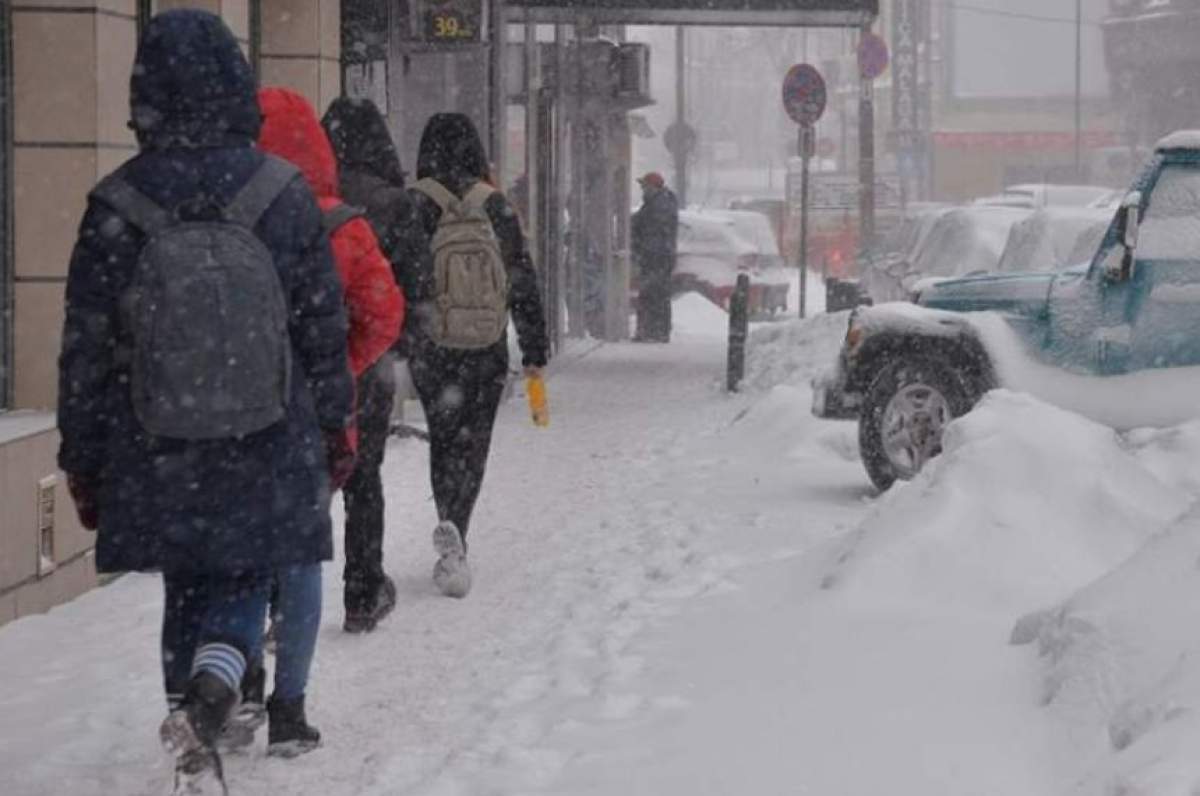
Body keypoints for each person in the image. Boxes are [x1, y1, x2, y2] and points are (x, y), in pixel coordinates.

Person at [56, 10, 354, 793]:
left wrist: (82, 456)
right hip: (267, 427)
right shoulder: (281, 192)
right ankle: (213, 692)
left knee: (188, 577)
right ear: (234, 86)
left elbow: (85, 348)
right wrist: (333, 423)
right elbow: (322, 324)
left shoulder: (115, 202)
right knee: (243, 573)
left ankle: (187, 714)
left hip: (155, 437)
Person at [240, 86, 403, 756]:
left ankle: (240, 675)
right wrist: (339, 364)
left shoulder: (232, 217)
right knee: (303, 553)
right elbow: (384, 313)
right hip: (311, 417)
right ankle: (289, 708)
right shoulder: (340, 223)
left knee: (243, 554)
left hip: (237, 412)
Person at [406, 113, 549, 598]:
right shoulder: (497, 207)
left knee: (443, 439)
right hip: (485, 349)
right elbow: (523, 282)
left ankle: (447, 518)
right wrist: (534, 348)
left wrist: (406, 336)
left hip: (435, 347)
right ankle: (458, 528)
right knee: (474, 442)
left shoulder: (417, 205)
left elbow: (402, 278)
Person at [321, 97, 418, 633]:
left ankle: (279, 603)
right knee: (364, 477)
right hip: (370, 361)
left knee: (303, 484)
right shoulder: (394, 204)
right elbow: (411, 287)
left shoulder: (302, 198)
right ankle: (362, 591)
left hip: (309, 362)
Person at [631, 171, 679, 342]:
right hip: (659, 257)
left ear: (653, 187)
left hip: (656, 258)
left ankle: (653, 331)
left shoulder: (658, 205)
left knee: (652, 294)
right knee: (657, 294)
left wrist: (637, 241)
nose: (643, 190)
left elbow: (648, 228)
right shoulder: (660, 203)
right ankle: (656, 331)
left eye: (644, 186)